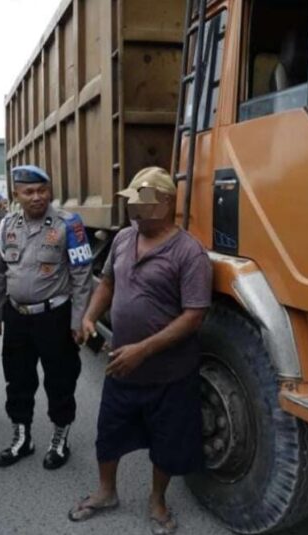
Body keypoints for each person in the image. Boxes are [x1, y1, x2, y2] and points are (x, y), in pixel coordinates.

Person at [68, 167, 212, 535]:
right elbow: (108, 283)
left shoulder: (189, 253)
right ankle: (106, 493)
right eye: (131, 201)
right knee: (109, 434)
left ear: (166, 202)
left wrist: (144, 350)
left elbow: (194, 316)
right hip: (123, 368)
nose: (134, 208)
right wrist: (90, 316)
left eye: (142, 201)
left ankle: (157, 501)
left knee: (167, 442)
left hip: (169, 374)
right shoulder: (123, 238)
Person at [0, 164, 92, 470]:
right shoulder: (6, 225)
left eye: (42, 190)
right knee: (17, 379)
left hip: (54, 317)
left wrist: (78, 320)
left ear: (50, 191)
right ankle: (22, 438)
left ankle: (60, 438)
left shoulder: (69, 224)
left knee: (60, 380)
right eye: (29, 192)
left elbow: (82, 274)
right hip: (16, 317)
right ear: (16, 194)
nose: (36, 197)